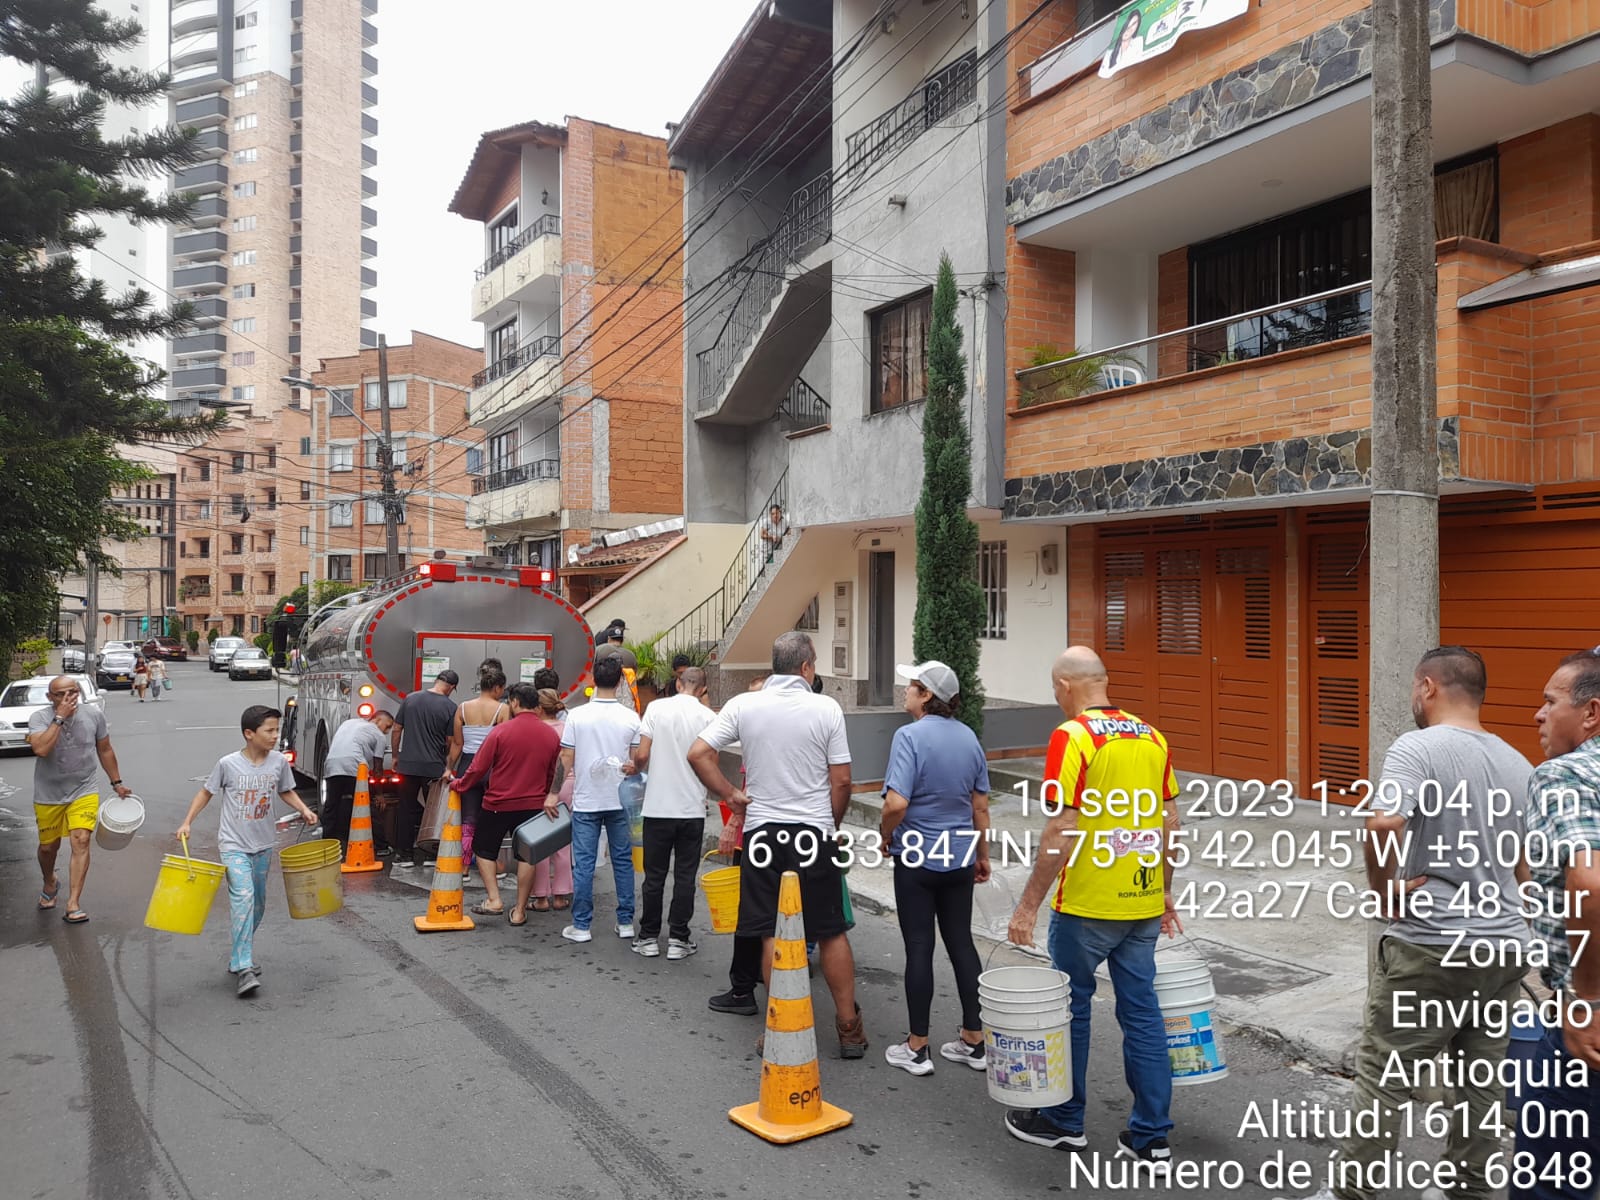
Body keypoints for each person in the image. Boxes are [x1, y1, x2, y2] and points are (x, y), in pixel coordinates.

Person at [1278, 647, 1533, 1200]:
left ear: (1427, 687)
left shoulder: (1416, 747)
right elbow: (1523, 866)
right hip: (1505, 946)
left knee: (1386, 1073)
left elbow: (1384, 823)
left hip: (1434, 943)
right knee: (1480, 1078)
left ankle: (1352, 1191)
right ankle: (1466, 1187)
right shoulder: (1519, 762)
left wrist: (1384, 888)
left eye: (1413, 691)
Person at [1004, 647, 1181, 1162]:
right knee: (1143, 1013)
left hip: (1086, 907)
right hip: (1142, 903)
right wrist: (1165, 891)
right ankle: (1151, 1137)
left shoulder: (1073, 737)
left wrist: (1027, 906)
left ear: (1064, 686)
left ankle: (1064, 1120)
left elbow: (1063, 826)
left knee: (1071, 1010)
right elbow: (1171, 823)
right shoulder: (1152, 736)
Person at [688, 632, 867, 1059]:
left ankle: (781, 1023)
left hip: (765, 833)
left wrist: (729, 794)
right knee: (830, 930)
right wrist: (830, 824)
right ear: (807, 667)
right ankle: (848, 1027)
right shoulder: (826, 708)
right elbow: (841, 780)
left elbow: (698, 753)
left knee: (770, 929)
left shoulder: (743, 705)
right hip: (813, 832)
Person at [1511, 649, 1600, 1200]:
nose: (1537, 715)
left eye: (1549, 702)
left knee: (1554, 1182)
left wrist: (1585, 1003)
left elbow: (1589, 886)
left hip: (1587, 1024)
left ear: (1591, 713)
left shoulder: (1567, 773)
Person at [879, 661, 992, 1076]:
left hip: (917, 856)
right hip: (960, 856)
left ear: (926, 696)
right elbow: (980, 806)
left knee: (920, 946)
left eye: (911, 686)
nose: (905, 691)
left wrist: (885, 834)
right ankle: (973, 1040)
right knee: (962, 943)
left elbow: (896, 803)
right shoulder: (969, 739)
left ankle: (917, 1047)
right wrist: (983, 854)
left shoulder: (908, 736)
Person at [177, 704, 318, 997]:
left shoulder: (278, 762)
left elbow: (285, 790)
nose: (275, 736)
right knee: (243, 898)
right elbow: (206, 792)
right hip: (233, 845)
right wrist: (187, 822)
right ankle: (244, 966)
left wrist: (304, 808)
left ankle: (237, 955)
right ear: (249, 734)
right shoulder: (228, 764)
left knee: (259, 904)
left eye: (277, 730)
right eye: (269, 730)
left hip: (263, 843)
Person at [451, 682, 562, 926]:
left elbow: (478, 768)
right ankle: (520, 910)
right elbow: (554, 771)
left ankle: (494, 899)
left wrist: (459, 784)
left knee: (484, 849)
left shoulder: (500, 732)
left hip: (498, 802)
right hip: (533, 805)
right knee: (527, 857)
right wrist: (547, 795)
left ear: (514, 702)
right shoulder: (550, 734)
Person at [26, 675, 132, 924]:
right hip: (48, 794)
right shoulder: (39, 718)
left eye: (72, 692)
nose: (68, 698)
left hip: (84, 789)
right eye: (61, 694)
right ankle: (50, 881)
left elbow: (104, 748)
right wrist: (60, 717)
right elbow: (41, 749)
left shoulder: (93, 715)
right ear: (49, 698)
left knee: (81, 839)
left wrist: (117, 783)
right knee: (48, 847)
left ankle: (73, 902)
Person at [631, 665, 716, 960]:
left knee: (654, 876)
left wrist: (638, 768)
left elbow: (642, 754)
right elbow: (712, 761)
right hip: (692, 807)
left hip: (657, 806)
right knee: (685, 875)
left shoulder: (656, 708)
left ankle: (648, 937)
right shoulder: (709, 717)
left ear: (678, 683)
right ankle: (679, 938)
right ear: (703, 689)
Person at [555, 656, 640, 942]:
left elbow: (566, 756)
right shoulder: (630, 717)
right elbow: (638, 758)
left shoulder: (577, 715)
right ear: (619, 681)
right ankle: (626, 922)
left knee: (584, 863)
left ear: (591, 679)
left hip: (587, 800)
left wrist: (553, 792)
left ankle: (581, 926)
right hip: (620, 799)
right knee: (623, 861)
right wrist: (633, 767)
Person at [389, 669, 460, 869]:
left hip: (408, 765)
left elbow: (396, 729)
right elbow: (450, 740)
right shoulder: (450, 706)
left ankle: (404, 855)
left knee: (406, 809)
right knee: (435, 812)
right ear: (451, 687)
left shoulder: (410, 699)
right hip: (434, 768)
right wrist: (448, 764)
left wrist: (396, 756)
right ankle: (431, 854)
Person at [449, 665, 508, 869]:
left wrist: (449, 768)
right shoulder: (502, 709)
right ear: (498, 689)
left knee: (469, 817)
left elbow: (457, 744)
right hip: (493, 767)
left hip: (467, 764)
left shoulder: (463, 707)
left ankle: (464, 865)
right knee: (493, 816)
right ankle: (493, 863)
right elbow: (504, 743)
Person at [320, 709, 395, 850]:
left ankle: (328, 845)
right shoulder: (379, 735)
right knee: (366, 807)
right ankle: (381, 846)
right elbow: (378, 767)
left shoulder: (349, 723)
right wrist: (379, 794)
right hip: (354, 766)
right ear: (378, 720)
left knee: (331, 805)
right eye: (387, 726)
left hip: (332, 765)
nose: (387, 731)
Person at [530, 679, 574, 911]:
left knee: (540, 841)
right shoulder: (567, 728)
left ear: (537, 708)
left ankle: (540, 897)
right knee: (562, 843)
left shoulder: (536, 730)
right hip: (568, 785)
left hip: (541, 787)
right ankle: (560, 895)